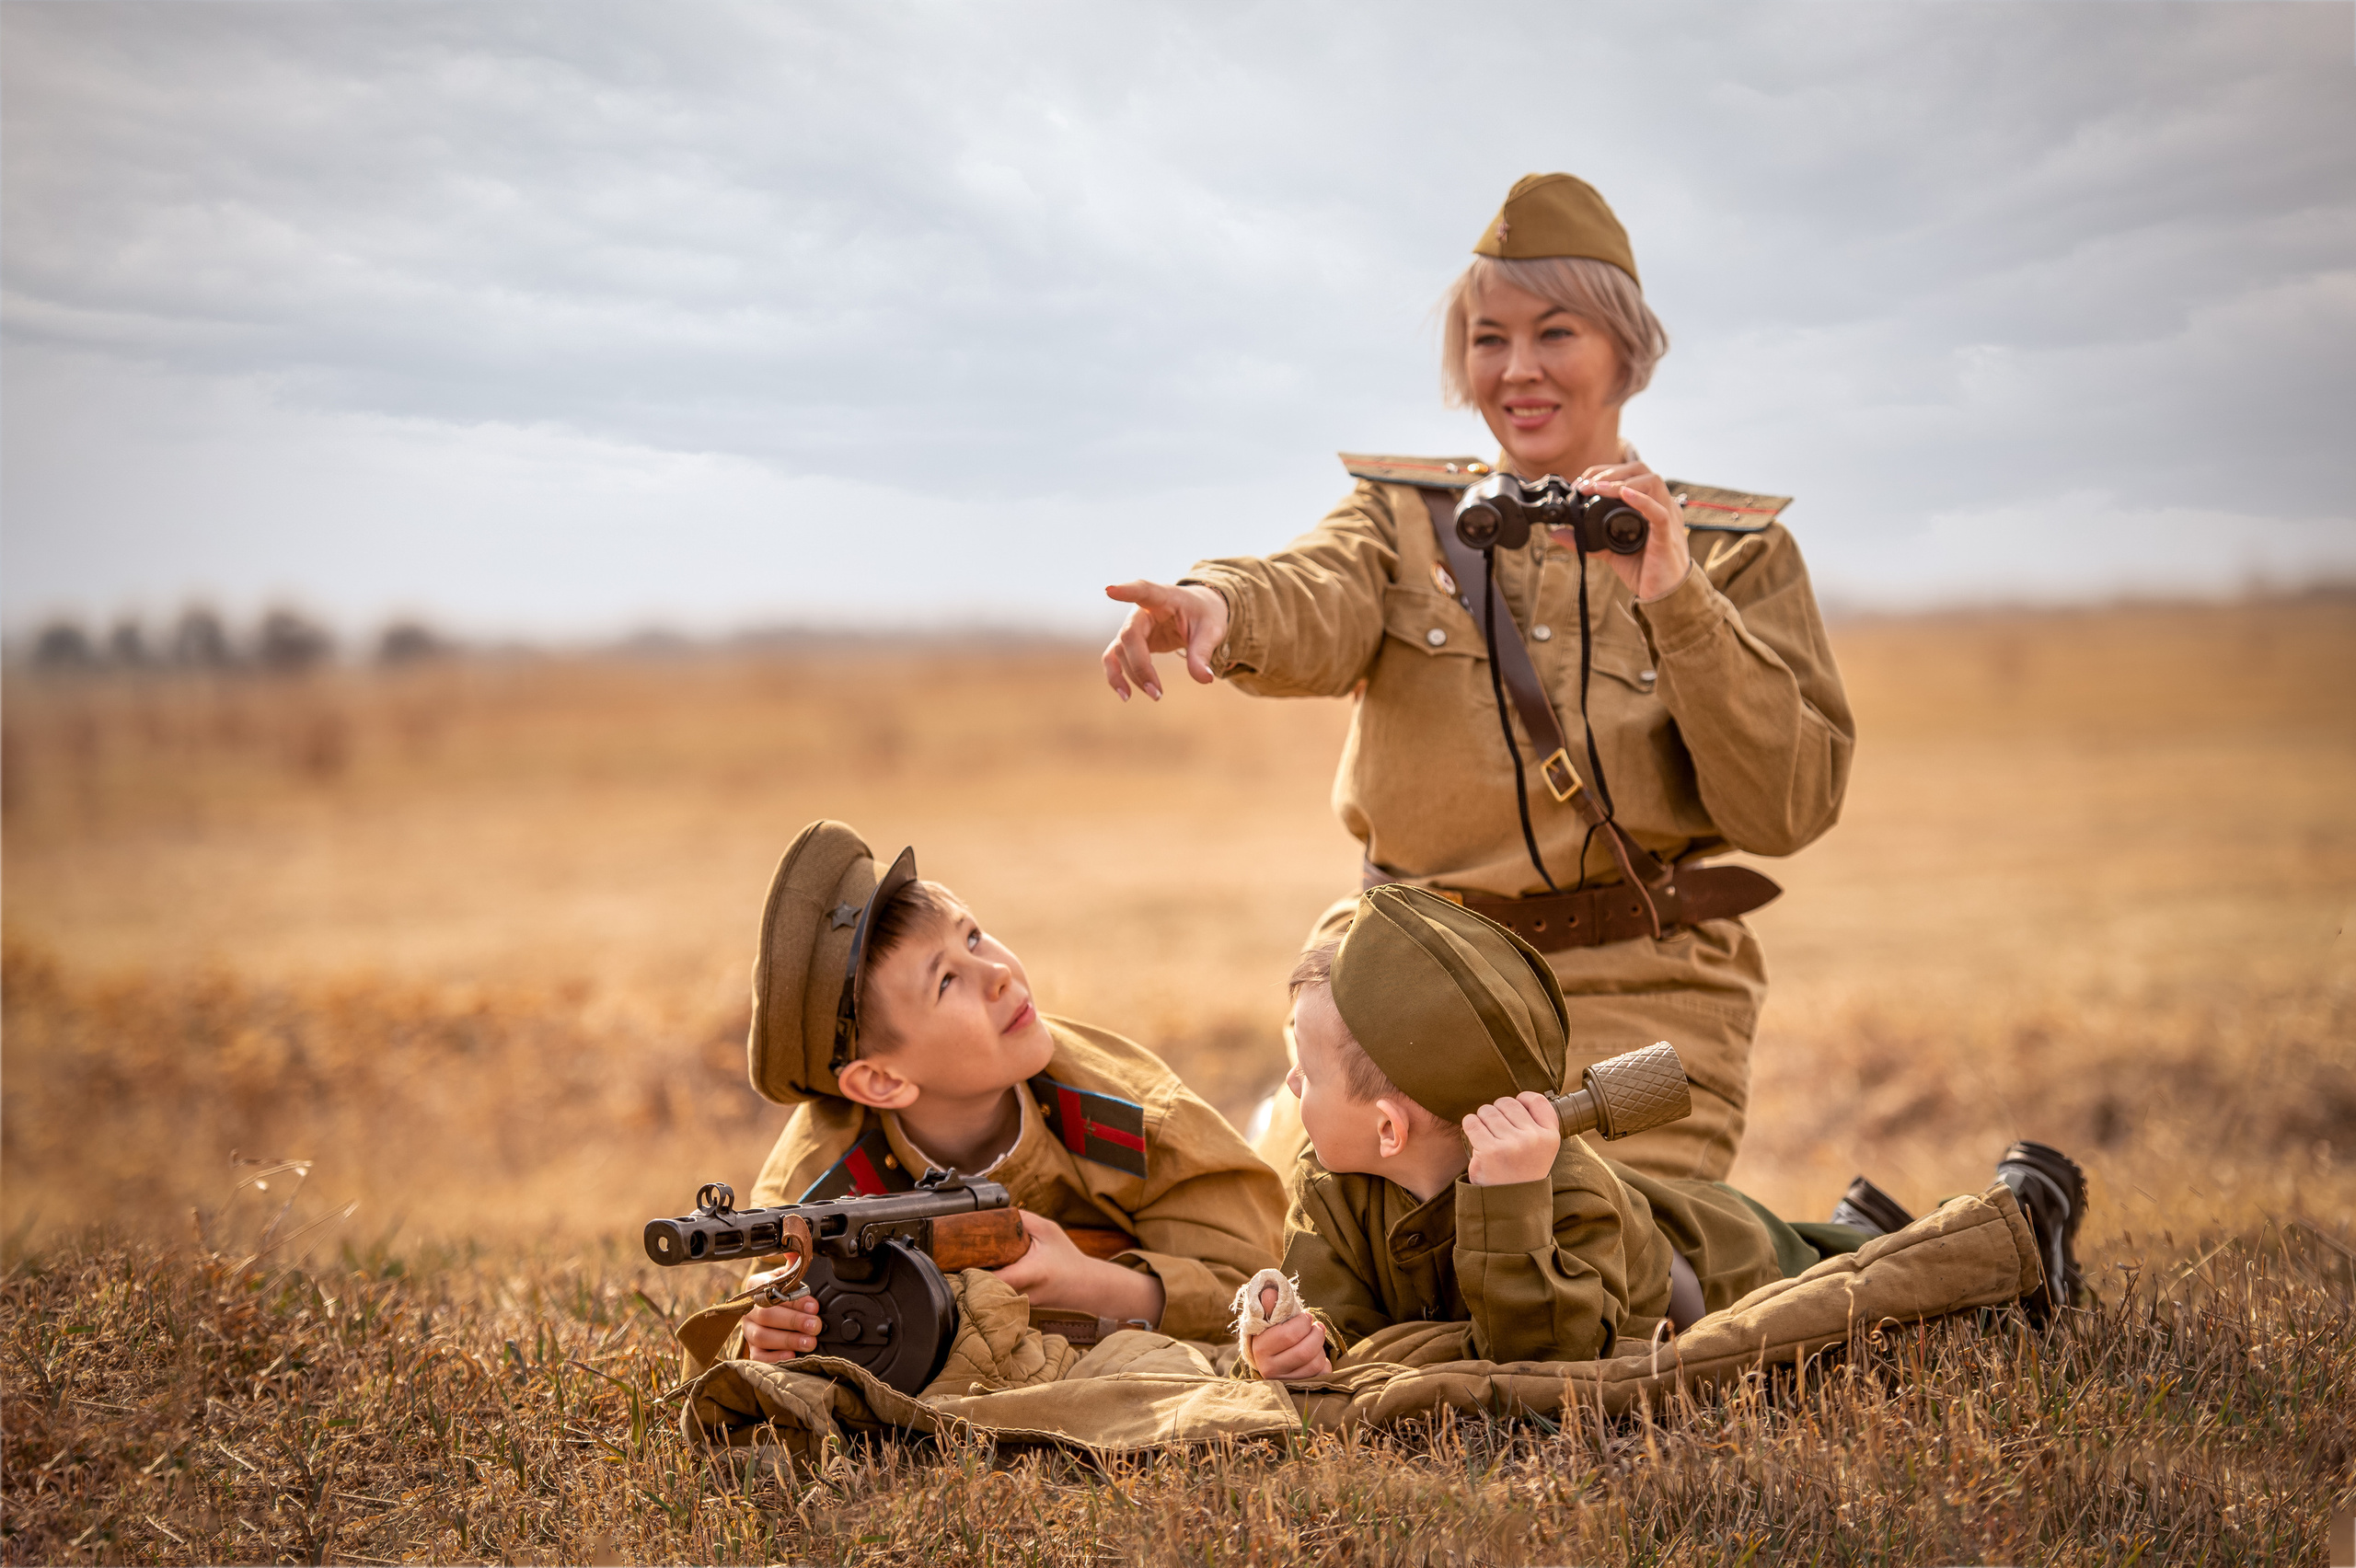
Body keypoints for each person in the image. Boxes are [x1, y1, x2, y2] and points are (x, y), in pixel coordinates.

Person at [1101, 172, 1854, 1184]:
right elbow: (1311, 591)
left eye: (1555, 334)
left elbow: (1787, 808)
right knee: (1311, 1272)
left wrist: (1676, 598)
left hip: (1635, 985)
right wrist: (1217, 605)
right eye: (1487, 337)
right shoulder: (1404, 517)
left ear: (1627, 351)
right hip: (1399, 979)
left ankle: (1858, 1250)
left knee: (1609, 1278)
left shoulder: (1734, 553)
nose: (1516, 370)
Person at [1241, 885, 2086, 1378]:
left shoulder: (1567, 1192)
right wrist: (1307, 1340)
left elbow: (1548, 1362)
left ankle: (2026, 1210)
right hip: (1681, 1219)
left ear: (1389, 1128)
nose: (1288, 1088)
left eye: (1304, 1074)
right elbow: (1338, 1306)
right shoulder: (1332, 1181)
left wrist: (1507, 1206)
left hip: (1725, 1264)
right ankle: (1857, 1223)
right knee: (1847, 1251)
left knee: (1899, 1301)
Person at [728, 820, 1286, 1361]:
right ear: (882, 1080)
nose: (996, 971)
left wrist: (1090, 1283)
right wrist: (769, 1340)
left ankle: (1275, 1119)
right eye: (946, 980)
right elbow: (739, 1333)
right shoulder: (822, 1189)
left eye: (972, 935)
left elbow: (1256, 1280)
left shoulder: (1127, 1110)